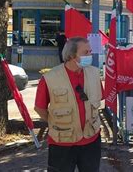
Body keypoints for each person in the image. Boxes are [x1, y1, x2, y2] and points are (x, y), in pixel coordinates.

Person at [34, 37, 104, 172]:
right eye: (85, 53)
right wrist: (57, 123)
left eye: (90, 51)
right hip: (62, 143)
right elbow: (40, 108)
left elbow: (98, 100)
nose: (90, 56)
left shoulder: (94, 74)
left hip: (91, 141)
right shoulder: (50, 78)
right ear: (72, 55)